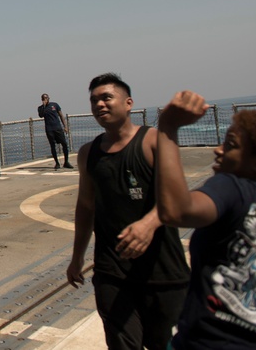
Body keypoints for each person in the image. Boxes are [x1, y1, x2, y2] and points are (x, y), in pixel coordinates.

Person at [155, 90, 256, 348]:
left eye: (231, 145)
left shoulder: (232, 187)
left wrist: (167, 128)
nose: (219, 150)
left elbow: (176, 211)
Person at [66, 73, 189, 349]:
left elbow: (176, 198)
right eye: (94, 100)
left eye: (107, 97)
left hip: (162, 271)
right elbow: (86, 207)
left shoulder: (154, 141)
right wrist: (76, 258)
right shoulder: (88, 153)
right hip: (112, 272)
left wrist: (149, 223)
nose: (100, 105)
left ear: (129, 103)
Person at [38, 93, 73, 170]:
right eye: (43, 98)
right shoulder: (40, 108)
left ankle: (66, 162)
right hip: (49, 129)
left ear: (49, 98)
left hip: (58, 128)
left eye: (46, 98)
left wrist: (65, 126)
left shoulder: (55, 105)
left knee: (64, 143)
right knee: (52, 145)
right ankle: (57, 163)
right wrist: (44, 106)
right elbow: (41, 115)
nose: (45, 99)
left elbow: (61, 115)